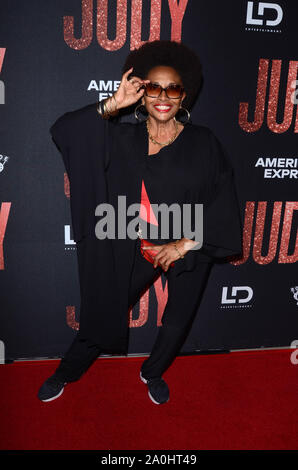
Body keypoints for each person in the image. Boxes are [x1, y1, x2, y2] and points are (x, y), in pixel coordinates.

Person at [38, 40, 243, 405]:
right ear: (142, 93)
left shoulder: (204, 142)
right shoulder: (121, 137)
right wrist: (112, 105)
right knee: (102, 312)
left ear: (184, 96)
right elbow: (64, 131)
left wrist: (183, 244)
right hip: (132, 243)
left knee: (177, 322)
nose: (163, 95)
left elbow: (222, 203)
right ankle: (65, 372)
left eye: (173, 88)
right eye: (154, 87)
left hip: (188, 243)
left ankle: (152, 371)